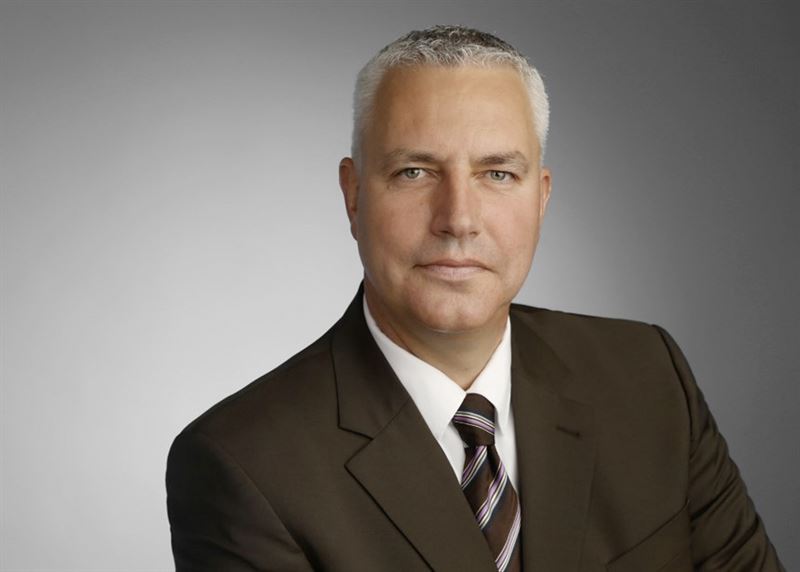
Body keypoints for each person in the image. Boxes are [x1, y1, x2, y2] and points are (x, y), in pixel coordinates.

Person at [165, 25, 784, 571]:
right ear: (353, 196)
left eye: (497, 174)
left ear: (541, 198)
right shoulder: (244, 465)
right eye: (414, 172)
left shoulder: (649, 377)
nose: (458, 219)